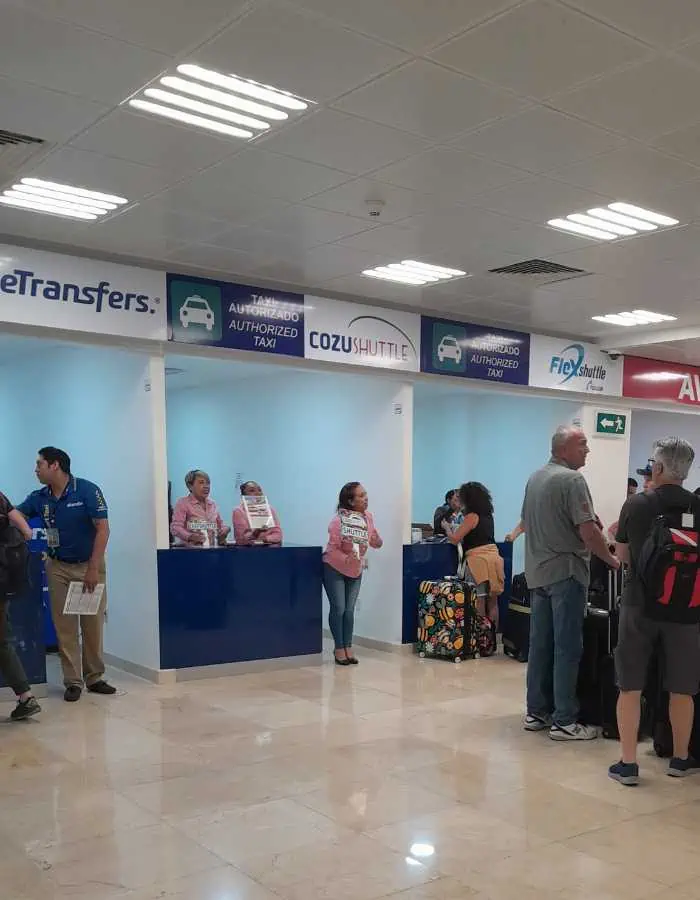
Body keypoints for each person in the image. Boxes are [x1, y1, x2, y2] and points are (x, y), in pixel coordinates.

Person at [520, 426, 620, 741]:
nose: (587, 449)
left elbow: (527, 521)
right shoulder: (572, 480)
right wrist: (613, 561)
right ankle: (565, 719)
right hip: (566, 573)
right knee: (567, 647)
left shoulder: (536, 478)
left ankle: (537, 712)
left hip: (537, 574)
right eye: (582, 444)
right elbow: (588, 532)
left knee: (540, 646)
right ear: (563, 449)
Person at [610, 437, 700, 785]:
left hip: (639, 604)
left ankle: (629, 764)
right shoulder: (697, 504)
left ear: (658, 468)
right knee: (683, 688)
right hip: (688, 609)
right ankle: (680, 759)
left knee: (630, 685)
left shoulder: (636, 504)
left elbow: (623, 557)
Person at [17, 447, 114, 702]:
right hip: (58, 567)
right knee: (65, 626)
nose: (36, 469)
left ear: (55, 465)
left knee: (92, 624)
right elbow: (18, 513)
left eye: (40, 464)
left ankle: (95, 677)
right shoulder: (40, 497)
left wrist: (93, 568)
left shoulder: (87, 490)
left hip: (89, 565)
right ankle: (73, 681)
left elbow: (103, 530)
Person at [323, 482, 382, 666]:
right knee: (339, 608)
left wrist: (376, 540)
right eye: (361, 496)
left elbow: (375, 542)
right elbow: (333, 548)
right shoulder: (338, 521)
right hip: (334, 568)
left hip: (355, 570)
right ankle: (338, 647)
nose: (366, 498)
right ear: (350, 500)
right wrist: (345, 558)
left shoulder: (368, 518)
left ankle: (348, 646)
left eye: (366, 494)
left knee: (349, 611)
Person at [0, 491, 41, 720]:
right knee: (2, 641)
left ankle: (26, 697)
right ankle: (26, 697)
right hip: (5, 580)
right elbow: (25, 530)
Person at [445, 482, 504, 629]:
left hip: (478, 561)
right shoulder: (489, 516)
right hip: (495, 559)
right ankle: (491, 640)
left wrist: (447, 528)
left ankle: (479, 638)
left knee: (479, 600)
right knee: (493, 601)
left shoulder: (471, 517)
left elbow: (455, 539)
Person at [171, 470, 230, 547]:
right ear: (190, 486)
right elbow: (175, 528)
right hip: (190, 552)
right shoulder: (183, 503)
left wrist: (226, 529)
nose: (206, 486)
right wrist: (191, 536)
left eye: (208, 483)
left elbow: (220, 526)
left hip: (212, 551)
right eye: (201, 482)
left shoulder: (213, 504)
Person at [233, 481, 282, 545]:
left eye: (259, 490)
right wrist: (256, 532)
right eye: (252, 490)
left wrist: (264, 539)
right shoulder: (238, 511)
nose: (258, 493)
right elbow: (241, 540)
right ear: (243, 496)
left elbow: (278, 535)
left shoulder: (270, 509)